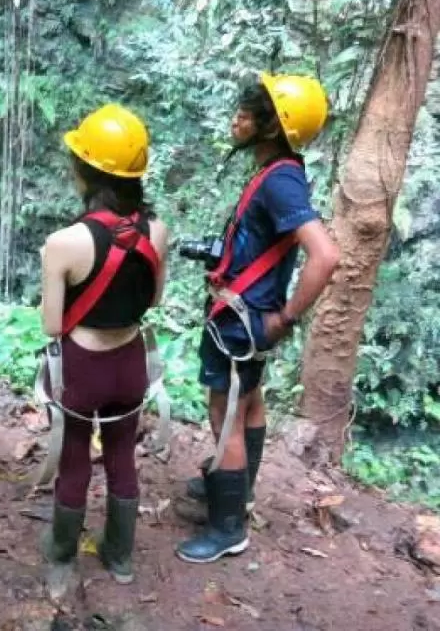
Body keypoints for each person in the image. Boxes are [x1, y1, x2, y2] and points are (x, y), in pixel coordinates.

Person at [176, 73, 340, 564]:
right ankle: (237, 491)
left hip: (242, 320)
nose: (236, 120)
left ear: (271, 127)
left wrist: (285, 318)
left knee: (224, 411)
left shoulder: (282, 181)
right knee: (247, 403)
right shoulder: (278, 172)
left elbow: (325, 256)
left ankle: (228, 529)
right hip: (250, 313)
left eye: (245, 114)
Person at [39, 103, 169, 585]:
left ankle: (61, 555)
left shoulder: (64, 242)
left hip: (83, 367)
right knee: (121, 457)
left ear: (85, 171)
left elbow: (53, 325)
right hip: (130, 361)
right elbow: (152, 298)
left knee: (74, 460)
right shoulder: (157, 231)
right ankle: (119, 557)